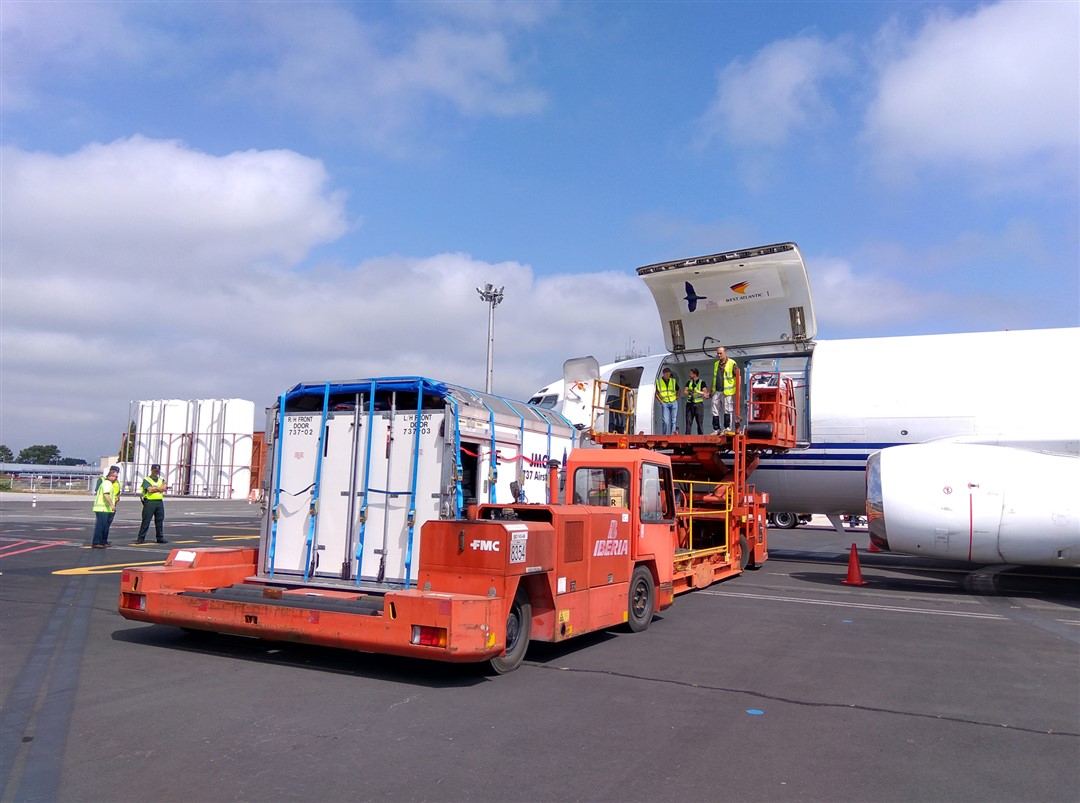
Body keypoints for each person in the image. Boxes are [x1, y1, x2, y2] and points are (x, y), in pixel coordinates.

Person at [135, 463, 168, 544]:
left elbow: (165, 488)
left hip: (159, 502)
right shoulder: (147, 480)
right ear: (151, 470)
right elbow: (149, 490)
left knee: (159, 520)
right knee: (146, 520)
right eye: (154, 470)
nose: (156, 472)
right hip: (149, 502)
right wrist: (159, 488)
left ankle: (160, 537)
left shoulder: (161, 480)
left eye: (157, 470)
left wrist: (155, 488)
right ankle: (141, 538)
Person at [711, 346, 740, 433]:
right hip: (717, 390)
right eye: (718, 353)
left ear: (725, 353)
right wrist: (710, 391)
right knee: (714, 409)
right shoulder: (716, 364)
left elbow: (738, 376)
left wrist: (738, 391)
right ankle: (716, 429)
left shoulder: (732, 363)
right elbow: (714, 378)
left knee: (727, 410)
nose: (719, 355)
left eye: (721, 353)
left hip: (727, 391)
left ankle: (727, 428)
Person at [91, 465, 120, 548]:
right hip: (103, 508)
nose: (116, 478)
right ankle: (96, 542)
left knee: (105, 526)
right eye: (115, 476)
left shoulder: (113, 483)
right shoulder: (106, 483)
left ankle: (103, 541)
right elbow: (106, 495)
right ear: (110, 475)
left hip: (107, 508)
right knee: (101, 526)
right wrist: (111, 505)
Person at [654, 367, 679, 435]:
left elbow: (678, 390)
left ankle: (672, 434)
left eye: (669, 374)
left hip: (673, 402)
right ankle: (664, 434)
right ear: (663, 374)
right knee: (665, 421)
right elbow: (656, 393)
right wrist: (661, 401)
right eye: (667, 374)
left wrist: (677, 397)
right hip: (665, 402)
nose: (668, 376)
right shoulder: (659, 382)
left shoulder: (673, 381)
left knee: (673, 420)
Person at [683, 368, 707, 435]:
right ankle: (687, 436)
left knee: (699, 421)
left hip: (698, 404)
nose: (689, 375)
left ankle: (700, 436)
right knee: (688, 421)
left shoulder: (702, 382)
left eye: (690, 373)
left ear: (695, 374)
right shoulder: (689, 382)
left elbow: (705, 393)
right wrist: (689, 392)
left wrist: (697, 391)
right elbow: (685, 391)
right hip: (690, 403)